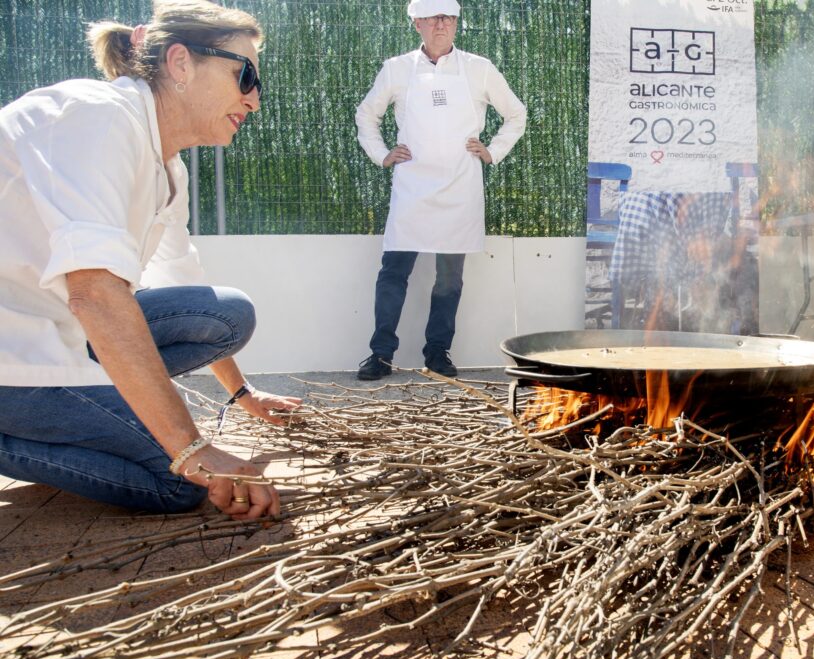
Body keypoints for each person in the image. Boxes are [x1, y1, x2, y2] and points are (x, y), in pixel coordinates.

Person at [0, 0, 300, 520]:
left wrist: (242, 393)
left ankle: (96, 402)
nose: (254, 99)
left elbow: (180, 278)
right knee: (178, 482)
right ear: (180, 63)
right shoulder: (98, 117)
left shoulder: (166, 167)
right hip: (13, 351)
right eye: (244, 74)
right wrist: (191, 448)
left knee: (226, 314)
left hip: (53, 330)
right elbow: (95, 293)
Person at [354, 0, 527, 380]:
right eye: (433, 18)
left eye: (448, 17)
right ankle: (380, 354)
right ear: (417, 23)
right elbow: (367, 114)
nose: (441, 25)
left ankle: (437, 352)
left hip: (459, 186)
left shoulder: (479, 69)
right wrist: (382, 154)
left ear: (456, 22)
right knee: (393, 272)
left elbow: (516, 114)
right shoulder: (396, 69)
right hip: (412, 185)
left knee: (449, 278)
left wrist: (492, 151)